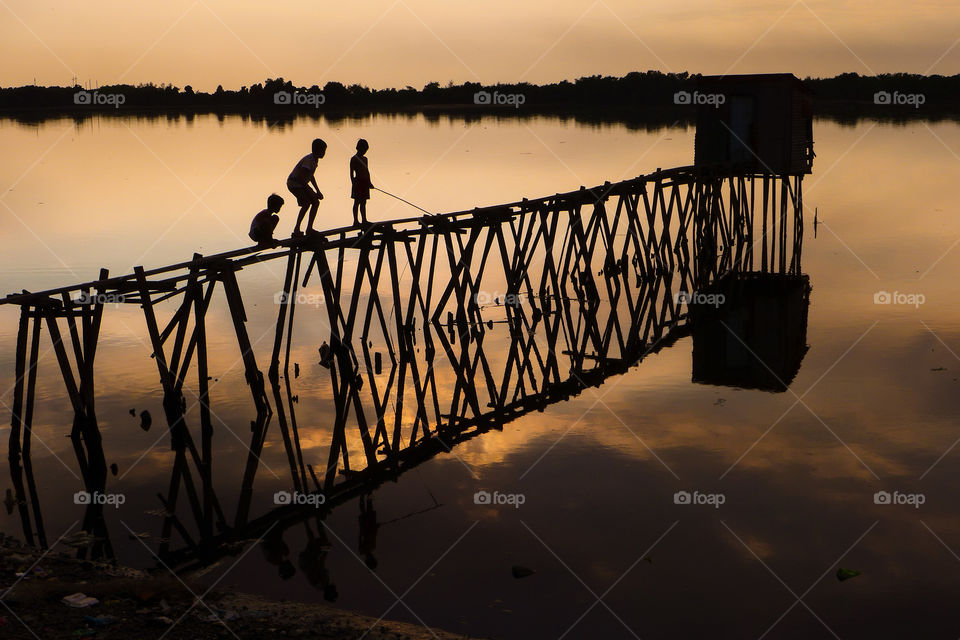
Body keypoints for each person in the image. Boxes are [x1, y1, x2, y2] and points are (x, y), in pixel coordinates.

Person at [287, 138, 326, 236]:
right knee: (307, 203)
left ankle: (309, 228)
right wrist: (310, 190)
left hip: (301, 184)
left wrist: (317, 191)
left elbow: (310, 176)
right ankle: (297, 229)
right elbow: (301, 177)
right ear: (317, 150)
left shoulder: (314, 160)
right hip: (294, 184)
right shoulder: (308, 160)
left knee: (315, 202)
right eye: (323, 151)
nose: (324, 153)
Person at [349, 139, 372, 227]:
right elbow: (351, 173)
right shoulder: (354, 159)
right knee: (357, 202)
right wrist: (353, 183)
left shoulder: (365, 159)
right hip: (357, 183)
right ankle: (355, 221)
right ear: (358, 148)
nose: (364, 152)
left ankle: (364, 220)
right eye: (363, 149)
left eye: (365, 150)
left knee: (363, 202)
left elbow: (367, 171)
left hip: (365, 183)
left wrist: (369, 182)